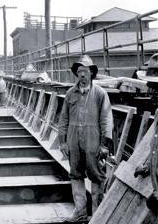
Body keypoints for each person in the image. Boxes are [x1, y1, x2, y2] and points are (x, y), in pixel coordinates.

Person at [58, 55, 113, 222]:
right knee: (75, 174)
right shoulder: (70, 94)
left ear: (91, 73)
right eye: (79, 71)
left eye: (85, 71)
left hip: (93, 140)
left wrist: (104, 145)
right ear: (76, 74)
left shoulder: (100, 94)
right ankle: (80, 213)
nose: (82, 74)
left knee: (96, 175)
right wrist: (62, 141)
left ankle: (97, 215)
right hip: (74, 140)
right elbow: (63, 119)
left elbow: (106, 119)